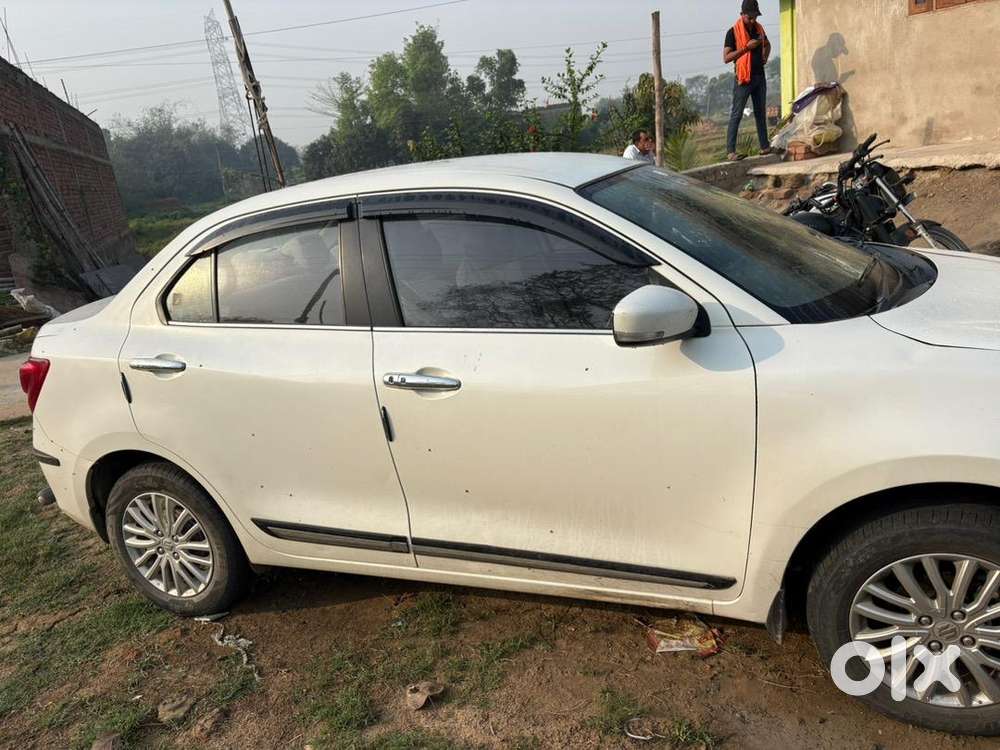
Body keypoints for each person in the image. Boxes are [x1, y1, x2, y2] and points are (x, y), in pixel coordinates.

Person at [723, 0, 772, 161]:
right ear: (742, 14)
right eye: (749, 17)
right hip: (743, 79)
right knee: (737, 114)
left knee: (760, 113)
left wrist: (765, 56)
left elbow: (767, 44)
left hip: (759, 76)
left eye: (755, 17)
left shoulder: (758, 29)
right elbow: (726, 57)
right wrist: (746, 48)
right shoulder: (732, 32)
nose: (752, 20)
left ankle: (765, 147)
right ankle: (731, 152)